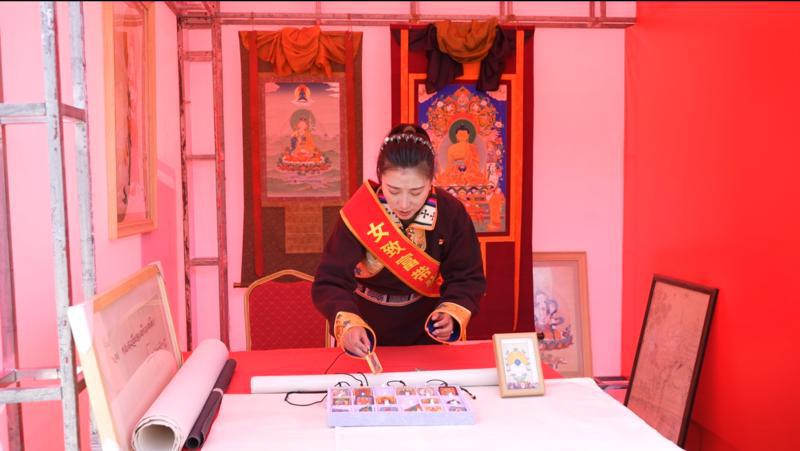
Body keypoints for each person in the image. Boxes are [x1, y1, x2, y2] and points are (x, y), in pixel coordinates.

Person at [312, 123, 487, 358]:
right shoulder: (361, 211)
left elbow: (467, 276)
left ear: (431, 180)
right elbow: (330, 280)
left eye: (416, 192)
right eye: (393, 191)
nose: (404, 204)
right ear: (380, 177)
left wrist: (451, 313)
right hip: (365, 328)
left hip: (426, 329)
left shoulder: (450, 212)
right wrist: (349, 323)